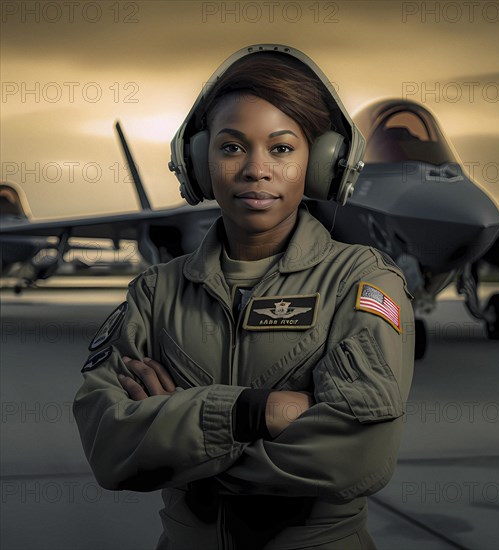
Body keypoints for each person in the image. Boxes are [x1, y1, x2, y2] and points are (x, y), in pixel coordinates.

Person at [73, 44, 415, 550]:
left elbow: (357, 457)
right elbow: (108, 447)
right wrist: (257, 413)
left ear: (321, 164)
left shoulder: (361, 283)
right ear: (198, 161)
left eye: (281, 148)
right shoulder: (155, 291)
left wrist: (181, 439)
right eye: (232, 147)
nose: (257, 169)